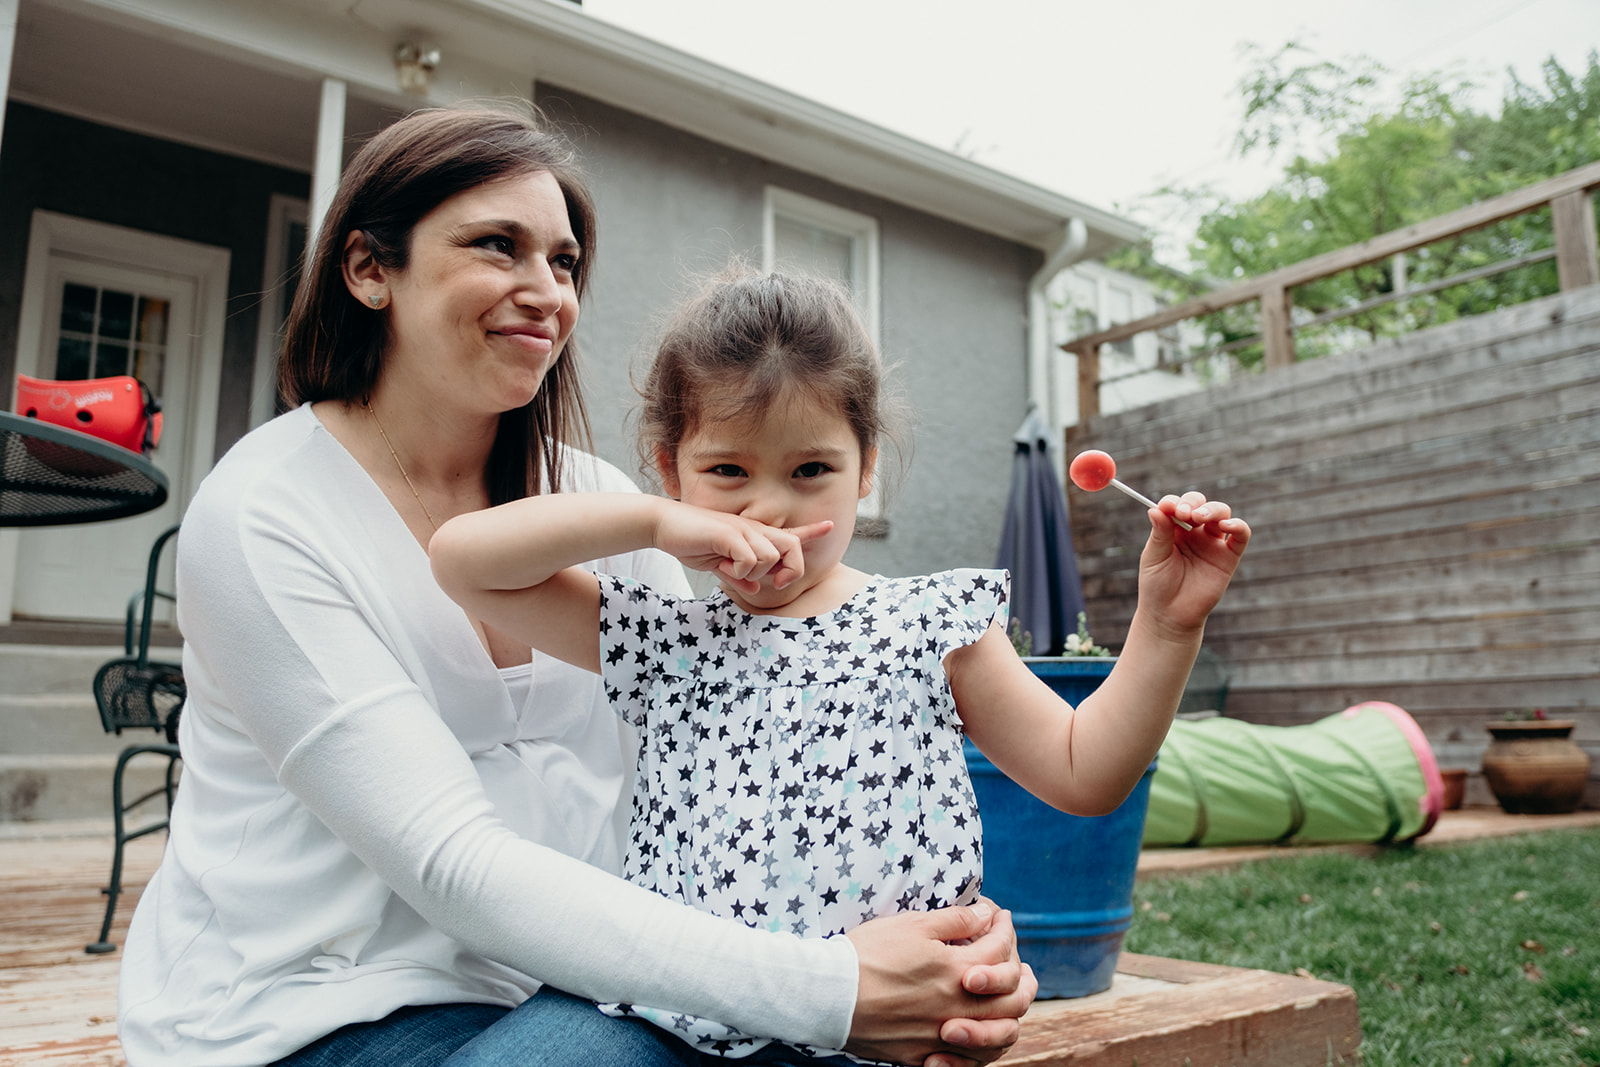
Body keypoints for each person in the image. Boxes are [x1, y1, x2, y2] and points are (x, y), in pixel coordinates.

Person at [116, 106, 1037, 1067]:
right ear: (368, 269)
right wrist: (837, 989)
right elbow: (453, 865)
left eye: (564, 262)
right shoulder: (266, 513)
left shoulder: (595, 501)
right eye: (497, 246)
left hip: (590, 991)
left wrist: (939, 951)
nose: (545, 291)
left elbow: (762, 749)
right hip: (313, 1015)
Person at [428, 269, 1253, 1065]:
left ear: (866, 468)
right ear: (668, 465)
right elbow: (463, 560)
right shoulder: (663, 638)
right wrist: (653, 521)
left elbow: (1086, 771)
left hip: (873, 1035)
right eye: (727, 471)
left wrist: (1168, 625)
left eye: (810, 470)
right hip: (662, 1021)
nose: (771, 507)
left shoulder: (935, 624)